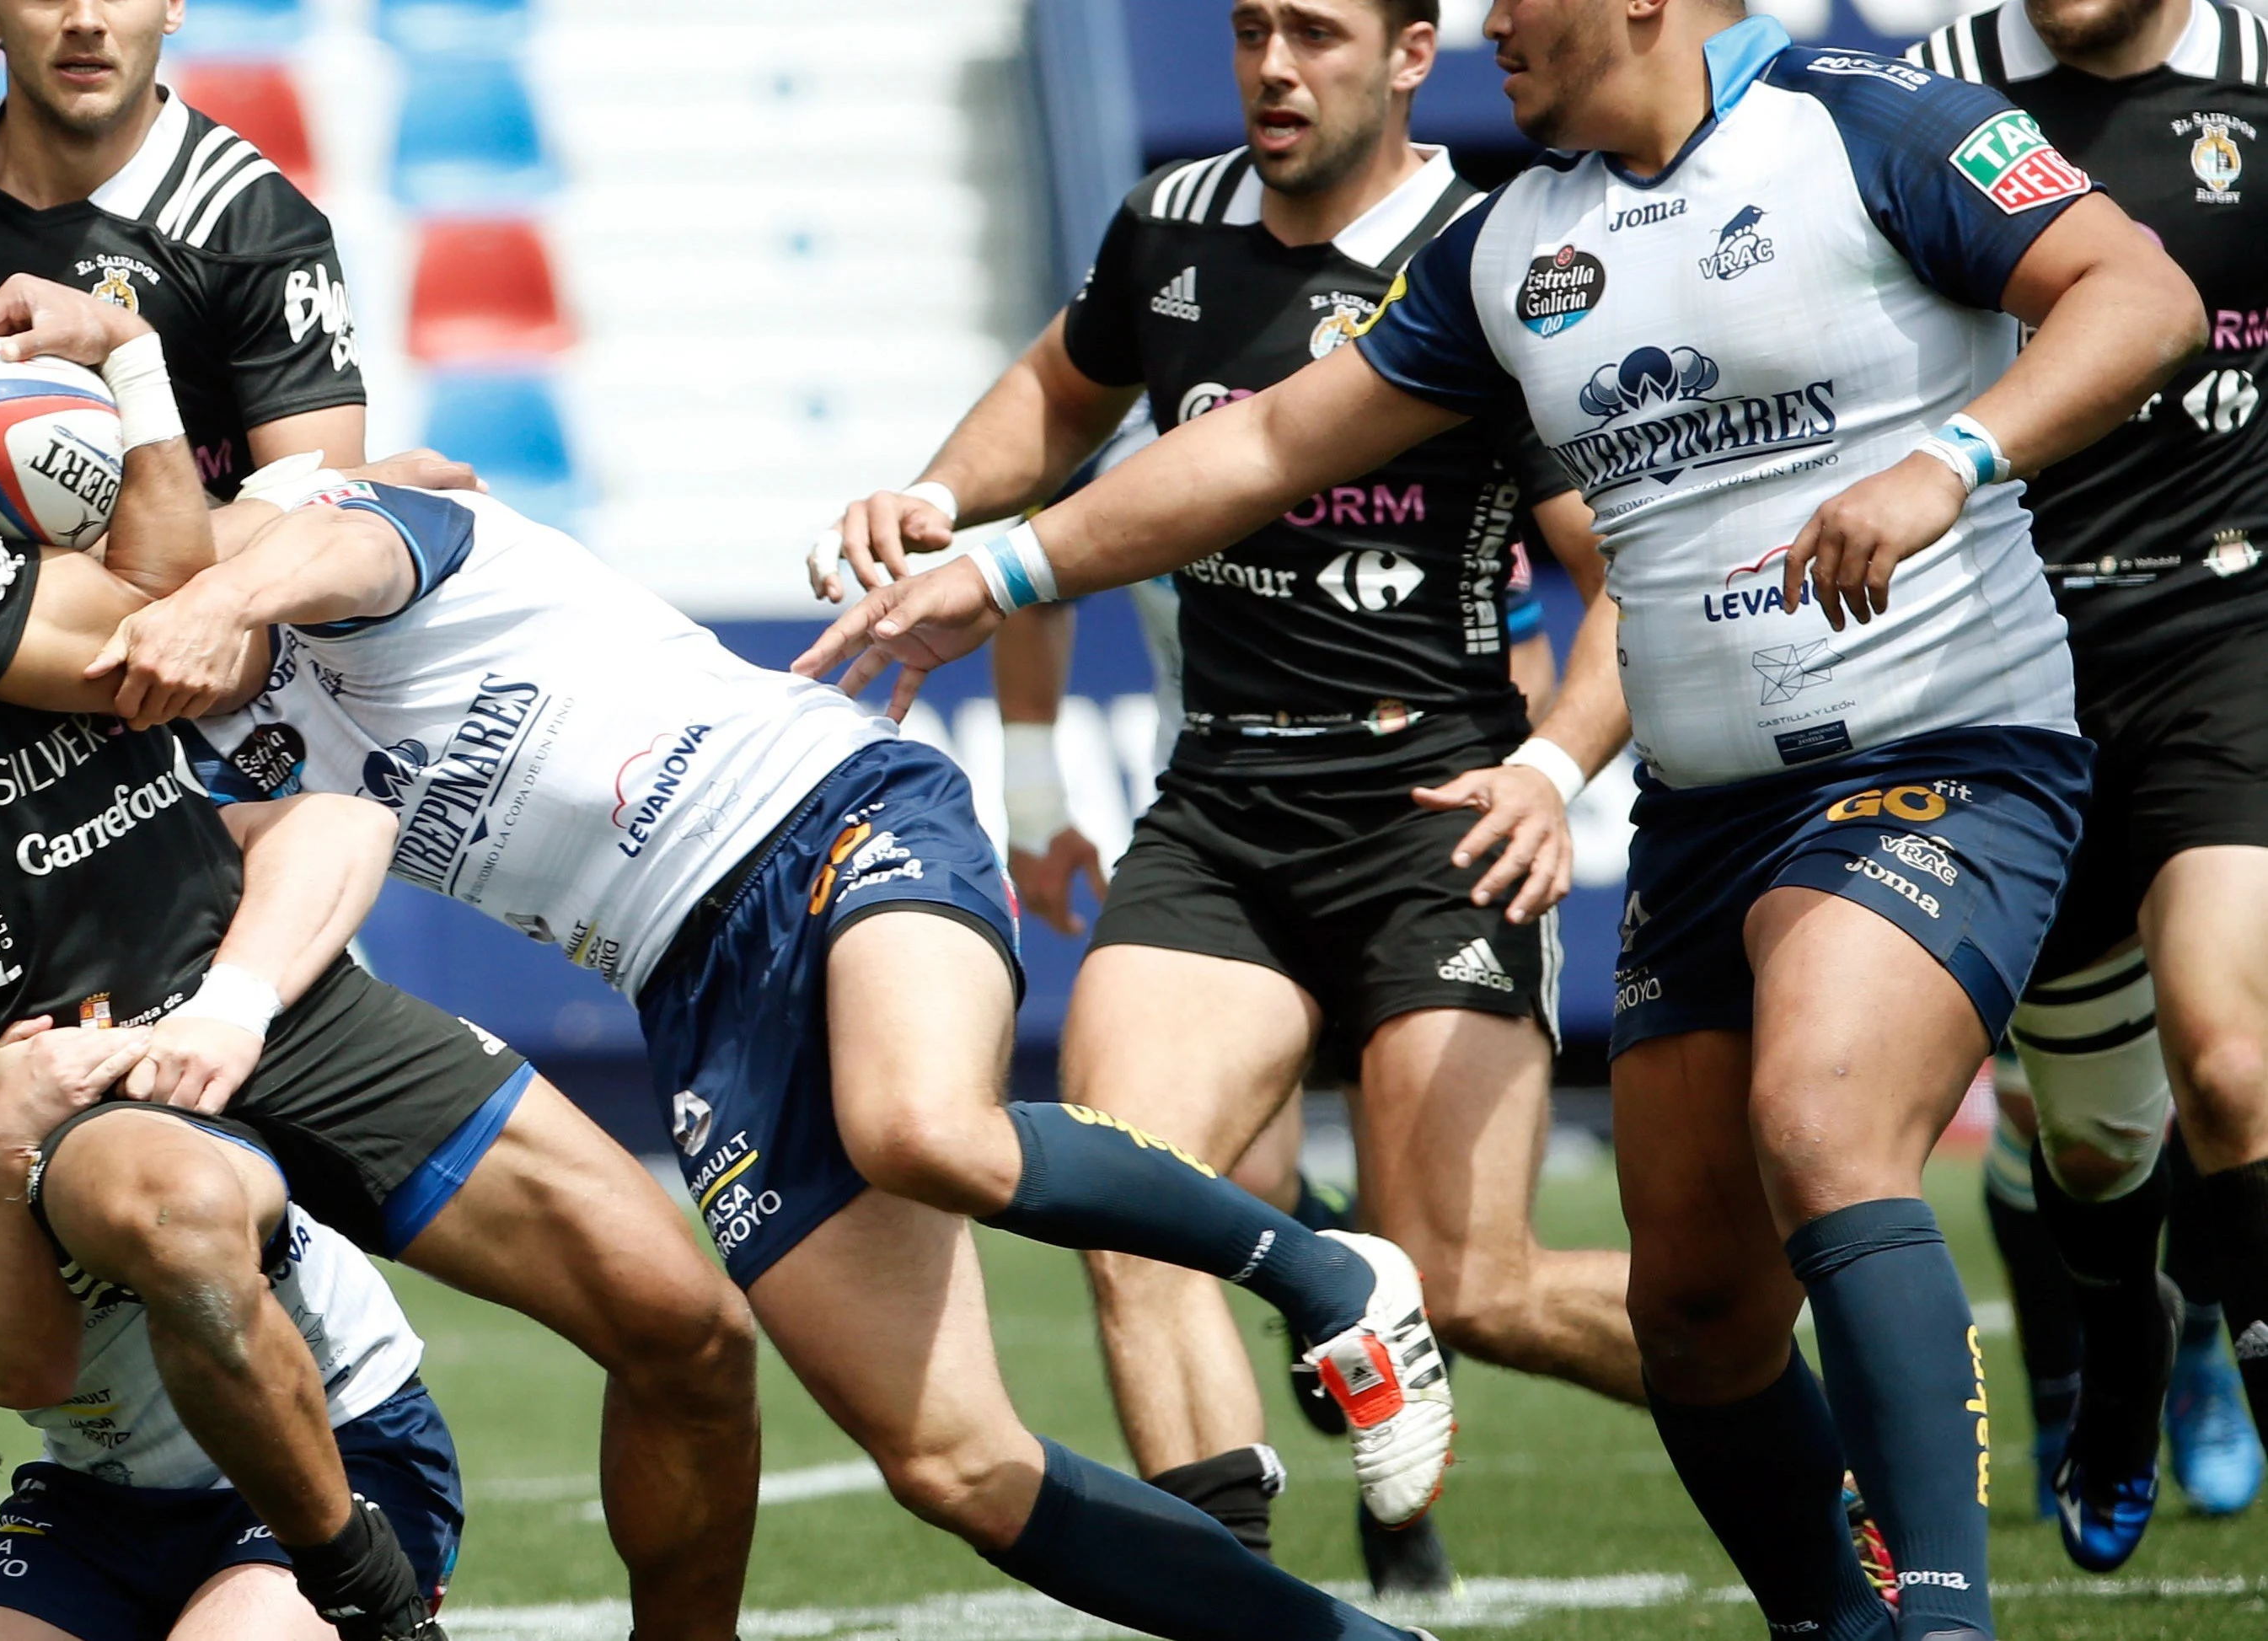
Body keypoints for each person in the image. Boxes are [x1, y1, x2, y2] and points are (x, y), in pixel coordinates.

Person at [795, 2, 2208, 1636]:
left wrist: (1947, 462)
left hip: (1905, 753)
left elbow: (2143, 292)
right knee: (1680, 1302)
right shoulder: (1512, 241)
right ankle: (1799, 1603)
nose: (1493, 32)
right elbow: (1259, 443)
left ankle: (1950, 1601)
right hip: (1657, 808)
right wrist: (996, 560)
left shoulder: (1869, 119)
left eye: (1511, 6)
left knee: (1799, 1137)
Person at [84, 459, 1456, 1641]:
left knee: (920, 1126)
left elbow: (345, 536)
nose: (133, 599)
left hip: (821, 808)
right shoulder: (204, 735)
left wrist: (218, 587)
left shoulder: (329, 534)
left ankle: (1333, 1275)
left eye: (145, 561)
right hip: (689, 983)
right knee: (949, 1462)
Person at [0, 164, 759, 1641]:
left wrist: (132, 369)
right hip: (91, 1046)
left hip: (272, 989)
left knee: (686, 1329)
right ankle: (372, 1598)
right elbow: (160, 636)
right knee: (177, 1218)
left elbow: (192, 633)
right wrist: (309, 508)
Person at [811, 0, 1639, 1595]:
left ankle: (1842, 1401)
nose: (1270, 65)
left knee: (1471, 1285)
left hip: (1435, 810)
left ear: (1412, 57)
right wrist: (935, 495)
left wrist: (1550, 767)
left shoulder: (1498, 259)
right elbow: (1059, 413)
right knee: (1134, 1197)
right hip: (1220, 797)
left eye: (1315, 34)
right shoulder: (1170, 227)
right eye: (1250, 27)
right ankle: (1259, 1612)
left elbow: (1623, 575)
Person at [0, 873, 464, 1641]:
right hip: (101, 1493)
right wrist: (5, 1147)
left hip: (336, 1435)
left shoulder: (67, 1018)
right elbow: (19, 1369)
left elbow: (328, 831)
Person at [1906, 0, 2268, 1563]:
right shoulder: (1933, 92)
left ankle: (2206, 1369)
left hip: (2226, 616)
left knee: (2234, 1058)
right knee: (2091, 1143)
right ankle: (2128, 1338)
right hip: (2012, 653)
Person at [0, 0, 366, 492]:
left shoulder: (254, 224)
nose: (85, 19)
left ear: (172, 5)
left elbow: (317, 516)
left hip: (183, 575)